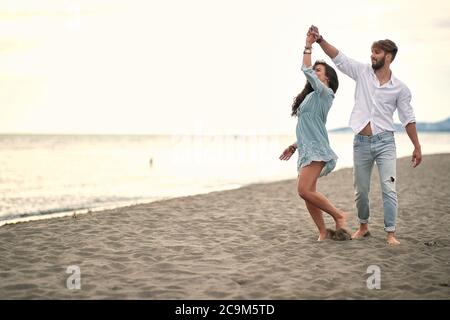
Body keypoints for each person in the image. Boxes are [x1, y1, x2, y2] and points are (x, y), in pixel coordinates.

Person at [308, 25, 422, 245]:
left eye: (377, 52)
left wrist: (416, 146)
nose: (372, 55)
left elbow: (408, 118)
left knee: (389, 188)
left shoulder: (400, 88)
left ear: (388, 57)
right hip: (361, 142)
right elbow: (339, 58)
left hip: (386, 142)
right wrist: (320, 40)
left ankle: (391, 233)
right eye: (372, 51)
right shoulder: (362, 72)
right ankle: (364, 227)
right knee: (361, 190)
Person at [279, 28, 349, 241]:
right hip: (306, 148)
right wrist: (294, 145)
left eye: (319, 71)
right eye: (316, 70)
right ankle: (322, 232)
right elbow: (309, 126)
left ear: (327, 78)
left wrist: (308, 44)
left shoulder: (325, 94)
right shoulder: (311, 97)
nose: (314, 73)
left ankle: (339, 215)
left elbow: (305, 69)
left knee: (303, 190)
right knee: (309, 194)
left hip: (317, 148)